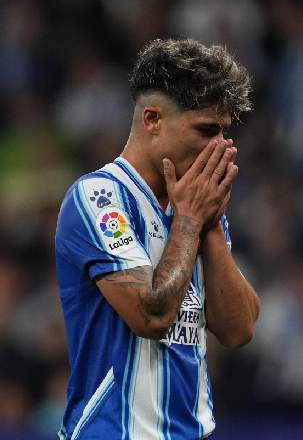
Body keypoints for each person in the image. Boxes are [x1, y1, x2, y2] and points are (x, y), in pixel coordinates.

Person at [54, 39, 260, 439]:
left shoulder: (195, 208)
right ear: (152, 119)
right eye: (206, 130)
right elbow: (151, 315)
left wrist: (211, 226)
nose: (221, 147)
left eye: (224, 132)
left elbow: (238, 331)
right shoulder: (99, 197)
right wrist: (190, 221)